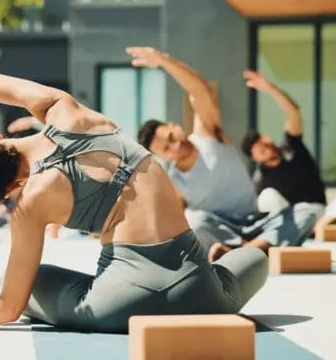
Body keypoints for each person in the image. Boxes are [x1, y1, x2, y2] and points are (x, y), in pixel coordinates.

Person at [0, 70, 268, 333]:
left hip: (124, 306)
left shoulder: (31, 203)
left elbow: (7, 307)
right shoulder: (68, 112)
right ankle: (218, 264)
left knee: (36, 280)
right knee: (255, 260)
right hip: (203, 292)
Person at [130, 47, 320, 260]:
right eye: (167, 148)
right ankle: (255, 249)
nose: (175, 146)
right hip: (222, 231)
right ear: (162, 157)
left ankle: (244, 252)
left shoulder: (208, 133)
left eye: (171, 137)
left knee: (306, 212)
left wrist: (163, 61)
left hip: (256, 221)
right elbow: (173, 222)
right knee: (195, 220)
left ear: (174, 125)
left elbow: (199, 90)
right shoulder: (173, 181)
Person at [238, 70, 336, 230]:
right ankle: (304, 231)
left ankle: (322, 227)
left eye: (265, 143)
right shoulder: (261, 180)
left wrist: (270, 88)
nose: (267, 149)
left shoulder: (291, 145)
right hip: (294, 219)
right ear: (256, 158)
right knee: (266, 197)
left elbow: (293, 112)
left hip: (322, 214)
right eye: (261, 151)